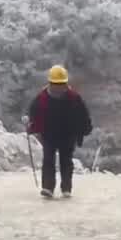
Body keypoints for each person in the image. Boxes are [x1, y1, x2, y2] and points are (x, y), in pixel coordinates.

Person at [25, 65, 93, 199]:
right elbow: (33, 113)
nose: (58, 87)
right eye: (56, 84)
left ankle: (66, 188)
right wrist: (29, 123)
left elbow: (83, 115)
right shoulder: (42, 98)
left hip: (68, 134)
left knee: (66, 160)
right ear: (50, 83)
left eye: (61, 84)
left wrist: (85, 128)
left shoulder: (74, 98)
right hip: (49, 134)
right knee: (48, 159)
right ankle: (48, 187)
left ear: (66, 83)